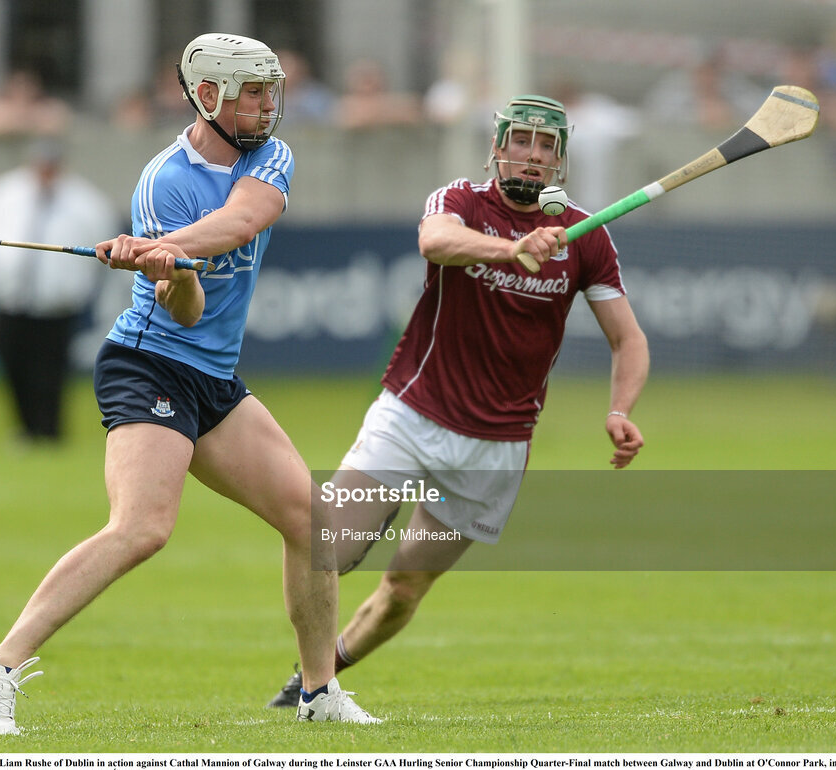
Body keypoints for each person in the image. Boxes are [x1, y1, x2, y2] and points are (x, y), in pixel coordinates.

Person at [0, 33, 380, 734]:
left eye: (272, 90)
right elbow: (187, 310)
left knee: (313, 523)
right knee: (142, 527)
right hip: (149, 364)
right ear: (207, 96)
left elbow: (246, 219)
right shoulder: (164, 183)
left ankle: (319, 691)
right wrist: (168, 272)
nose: (269, 104)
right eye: (253, 92)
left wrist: (165, 251)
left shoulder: (269, 154)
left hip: (212, 378)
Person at [267, 94, 649, 706]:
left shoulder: (586, 238)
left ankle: (314, 680)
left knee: (404, 589)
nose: (532, 154)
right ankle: (320, 681)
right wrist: (510, 250)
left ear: (559, 161)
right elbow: (436, 243)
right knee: (326, 548)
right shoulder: (461, 202)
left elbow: (628, 341)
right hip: (412, 417)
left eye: (546, 146)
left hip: (493, 455)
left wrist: (619, 409)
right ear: (498, 149)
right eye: (520, 140)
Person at [0, 138, 117, 443]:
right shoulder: (5, 194)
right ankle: (27, 426)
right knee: (11, 359)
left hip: (57, 304)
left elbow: (100, 249)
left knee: (50, 370)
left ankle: (49, 431)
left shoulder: (85, 201)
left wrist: (76, 288)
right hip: (11, 300)